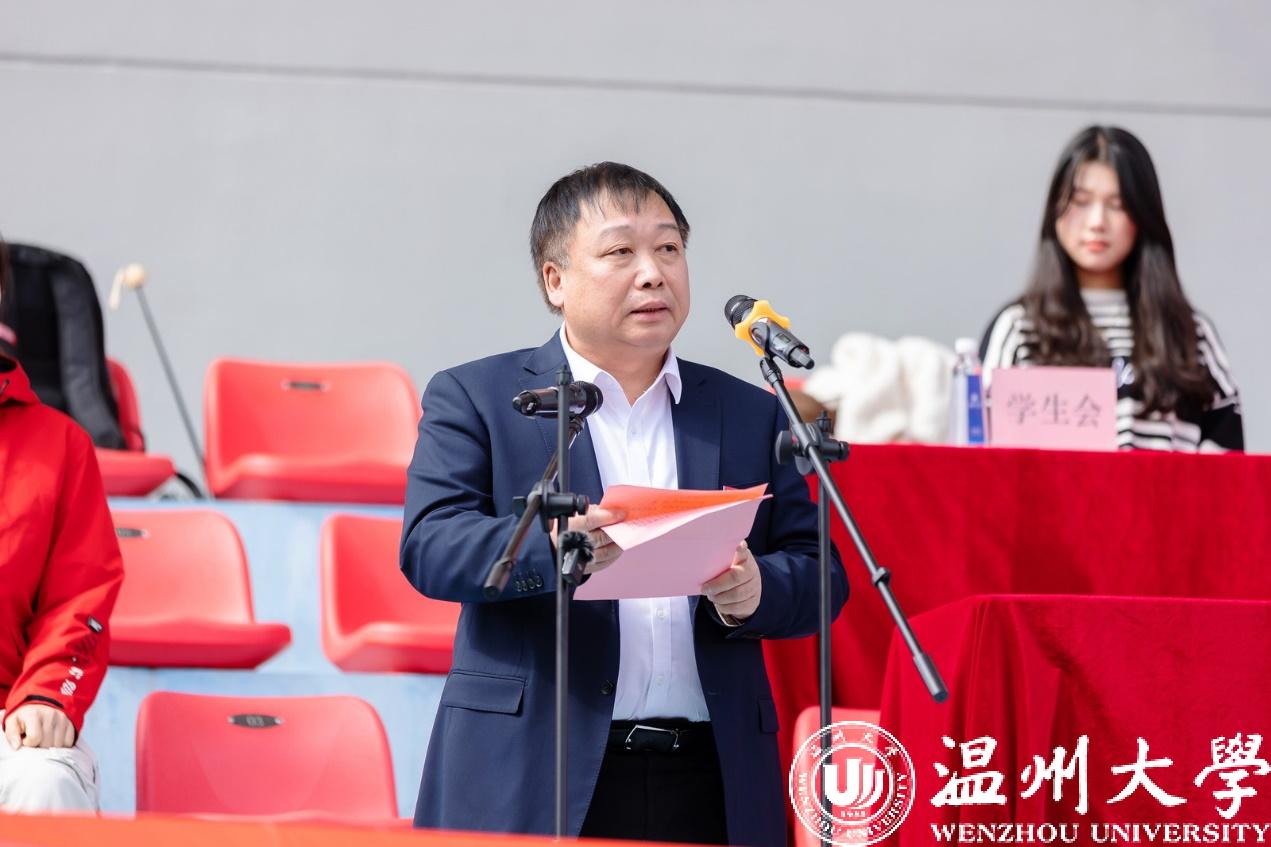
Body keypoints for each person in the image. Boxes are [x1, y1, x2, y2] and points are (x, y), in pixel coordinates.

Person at [401, 163, 847, 846]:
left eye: (668, 248)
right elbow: (430, 545)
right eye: (620, 252)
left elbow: (822, 573)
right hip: (535, 766)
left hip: (712, 774)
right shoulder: (480, 398)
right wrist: (555, 550)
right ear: (555, 281)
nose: (652, 273)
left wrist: (758, 589)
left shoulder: (747, 412)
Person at [979, 126, 1242, 452]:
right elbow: (980, 457)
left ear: (1143, 214)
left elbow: (1228, 464)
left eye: (1117, 205)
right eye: (1080, 201)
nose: (1096, 222)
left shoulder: (1190, 336)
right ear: (1054, 210)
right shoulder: (1018, 330)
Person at [0, 236, 124, 813]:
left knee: (45, 784)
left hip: (12, 721)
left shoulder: (61, 445)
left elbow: (78, 598)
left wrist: (48, 696)